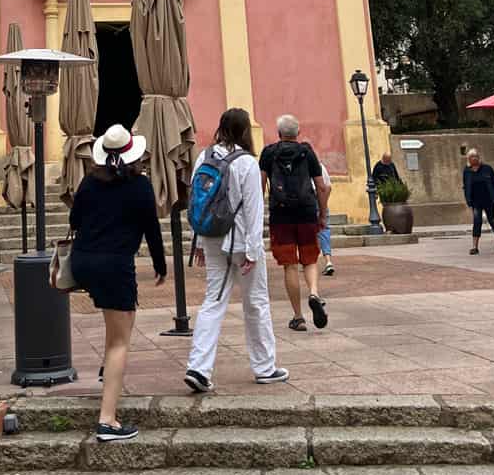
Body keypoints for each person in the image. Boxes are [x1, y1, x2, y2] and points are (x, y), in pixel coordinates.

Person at [69, 124, 166, 442]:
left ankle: (106, 370)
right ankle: (107, 420)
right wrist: (160, 265)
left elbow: (74, 221)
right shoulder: (139, 186)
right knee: (120, 343)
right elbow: (151, 227)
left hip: (84, 262)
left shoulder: (88, 183)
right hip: (114, 264)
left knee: (115, 331)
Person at [184, 108, 288, 393]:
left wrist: (200, 241)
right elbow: (254, 211)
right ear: (245, 131)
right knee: (255, 302)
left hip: (212, 238)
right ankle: (265, 366)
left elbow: (197, 202)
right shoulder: (246, 163)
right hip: (242, 243)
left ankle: (199, 367)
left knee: (213, 300)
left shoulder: (203, 158)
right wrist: (254, 252)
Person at [260, 115, 331, 332]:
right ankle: (314, 293)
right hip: (307, 212)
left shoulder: (269, 153)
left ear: (279, 133)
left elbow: (260, 186)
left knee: (289, 264)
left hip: (281, 216)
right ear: (298, 133)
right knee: (309, 259)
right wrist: (322, 212)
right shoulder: (307, 152)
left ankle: (298, 317)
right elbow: (322, 187)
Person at [463, 149, 494, 255]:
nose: (474, 158)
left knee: (492, 220)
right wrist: (468, 199)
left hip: (488, 200)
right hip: (476, 201)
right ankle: (474, 247)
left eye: (476, 156)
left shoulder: (487, 168)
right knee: (477, 222)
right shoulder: (467, 171)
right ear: (468, 159)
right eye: (472, 157)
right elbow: (466, 186)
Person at [317, 161, 335, 276]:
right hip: (321, 199)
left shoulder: (301, 165)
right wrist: (323, 205)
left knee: (308, 232)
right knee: (324, 230)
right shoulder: (320, 166)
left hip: (307, 202)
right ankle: (328, 261)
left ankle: (309, 262)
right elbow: (328, 187)